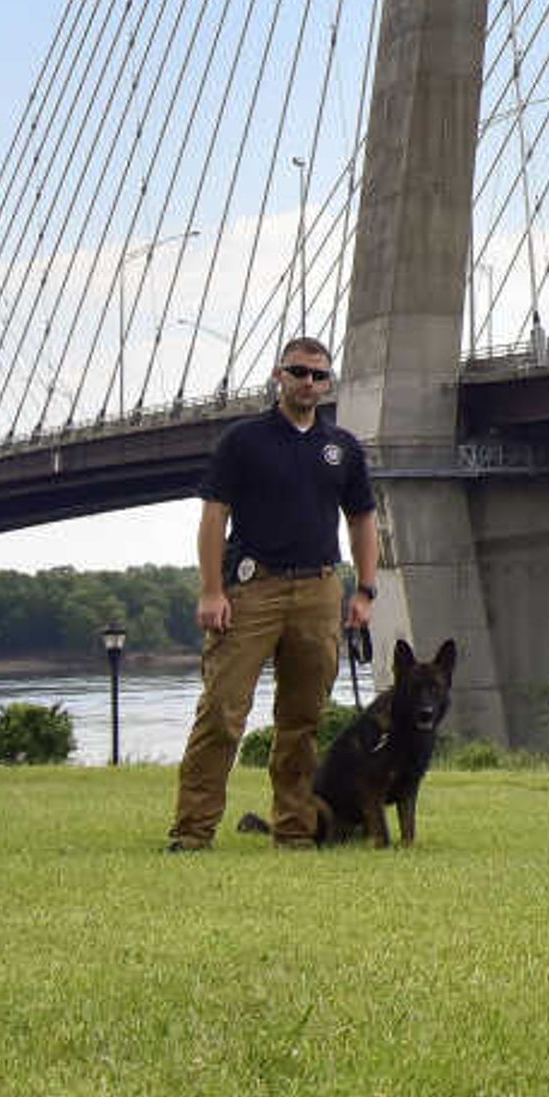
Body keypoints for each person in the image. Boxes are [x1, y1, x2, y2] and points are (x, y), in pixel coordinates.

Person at [166, 334, 383, 850]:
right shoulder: (243, 441)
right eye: (298, 372)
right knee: (221, 711)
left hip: (320, 590)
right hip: (252, 589)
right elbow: (213, 516)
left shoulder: (343, 449)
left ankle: (294, 830)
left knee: (302, 719)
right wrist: (212, 591)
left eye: (318, 375)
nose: (308, 382)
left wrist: (365, 590)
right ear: (277, 375)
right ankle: (193, 831)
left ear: (327, 383)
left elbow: (363, 519)